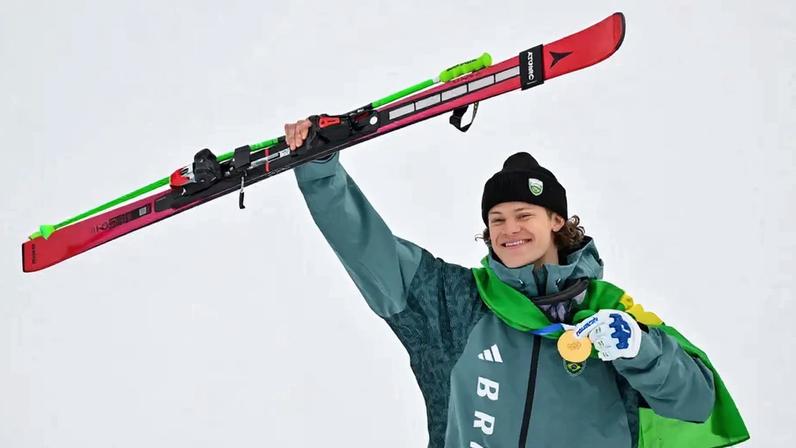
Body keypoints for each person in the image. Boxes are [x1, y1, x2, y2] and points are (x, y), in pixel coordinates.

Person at [283, 118, 720, 448]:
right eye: (497, 219)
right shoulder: (455, 305)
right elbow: (367, 248)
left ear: (555, 220)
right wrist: (321, 172)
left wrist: (639, 348)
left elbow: (697, 404)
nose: (510, 229)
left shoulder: (611, 315)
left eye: (523, 215)